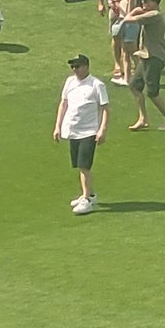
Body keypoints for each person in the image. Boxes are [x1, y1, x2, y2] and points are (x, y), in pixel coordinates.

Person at [53, 54, 109, 216]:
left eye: (77, 66)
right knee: (79, 165)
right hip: (72, 131)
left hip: (89, 131)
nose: (74, 70)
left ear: (86, 66)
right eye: (73, 67)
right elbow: (63, 104)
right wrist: (58, 126)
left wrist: (102, 130)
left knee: (84, 166)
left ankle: (86, 199)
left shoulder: (97, 85)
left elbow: (105, 109)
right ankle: (90, 194)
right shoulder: (70, 82)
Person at [123, 0, 165, 132]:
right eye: (143, 1)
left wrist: (134, 10)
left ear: (155, 3)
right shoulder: (150, 14)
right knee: (134, 85)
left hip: (154, 57)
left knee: (153, 92)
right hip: (145, 57)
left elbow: (129, 19)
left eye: (147, 1)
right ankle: (143, 118)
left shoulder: (155, 15)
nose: (144, 4)